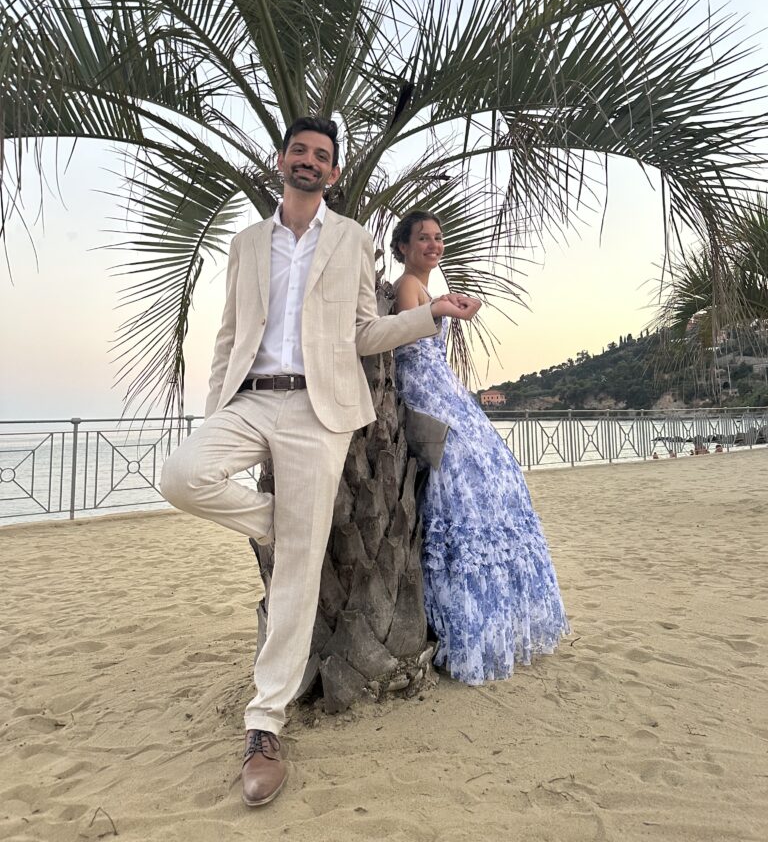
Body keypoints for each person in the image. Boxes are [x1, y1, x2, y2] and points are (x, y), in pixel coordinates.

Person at [160, 120, 479, 807]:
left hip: (318, 410)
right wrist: (215, 411)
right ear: (281, 160)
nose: (309, 161)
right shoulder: (247, 244)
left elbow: (364, 332)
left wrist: (431, 314)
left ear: (333, 173)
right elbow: (228, 335)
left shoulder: (353, 239)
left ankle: (264, 726)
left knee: (298, 577)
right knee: (181, 476)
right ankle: (286, 524)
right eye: (299, 151)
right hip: (250, 399)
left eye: (322, 156)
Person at [390, 210, 569, 685]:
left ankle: (490, 620)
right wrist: (444, 310)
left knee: (495, 476)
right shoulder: (408, 285)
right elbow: (409, 331)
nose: (433, 245)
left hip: (444, 390)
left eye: (438, 238)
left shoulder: (426, 288)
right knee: (464, 478)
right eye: (423, 238)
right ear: (404, 246)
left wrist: (451, 305)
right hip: (427, 391)